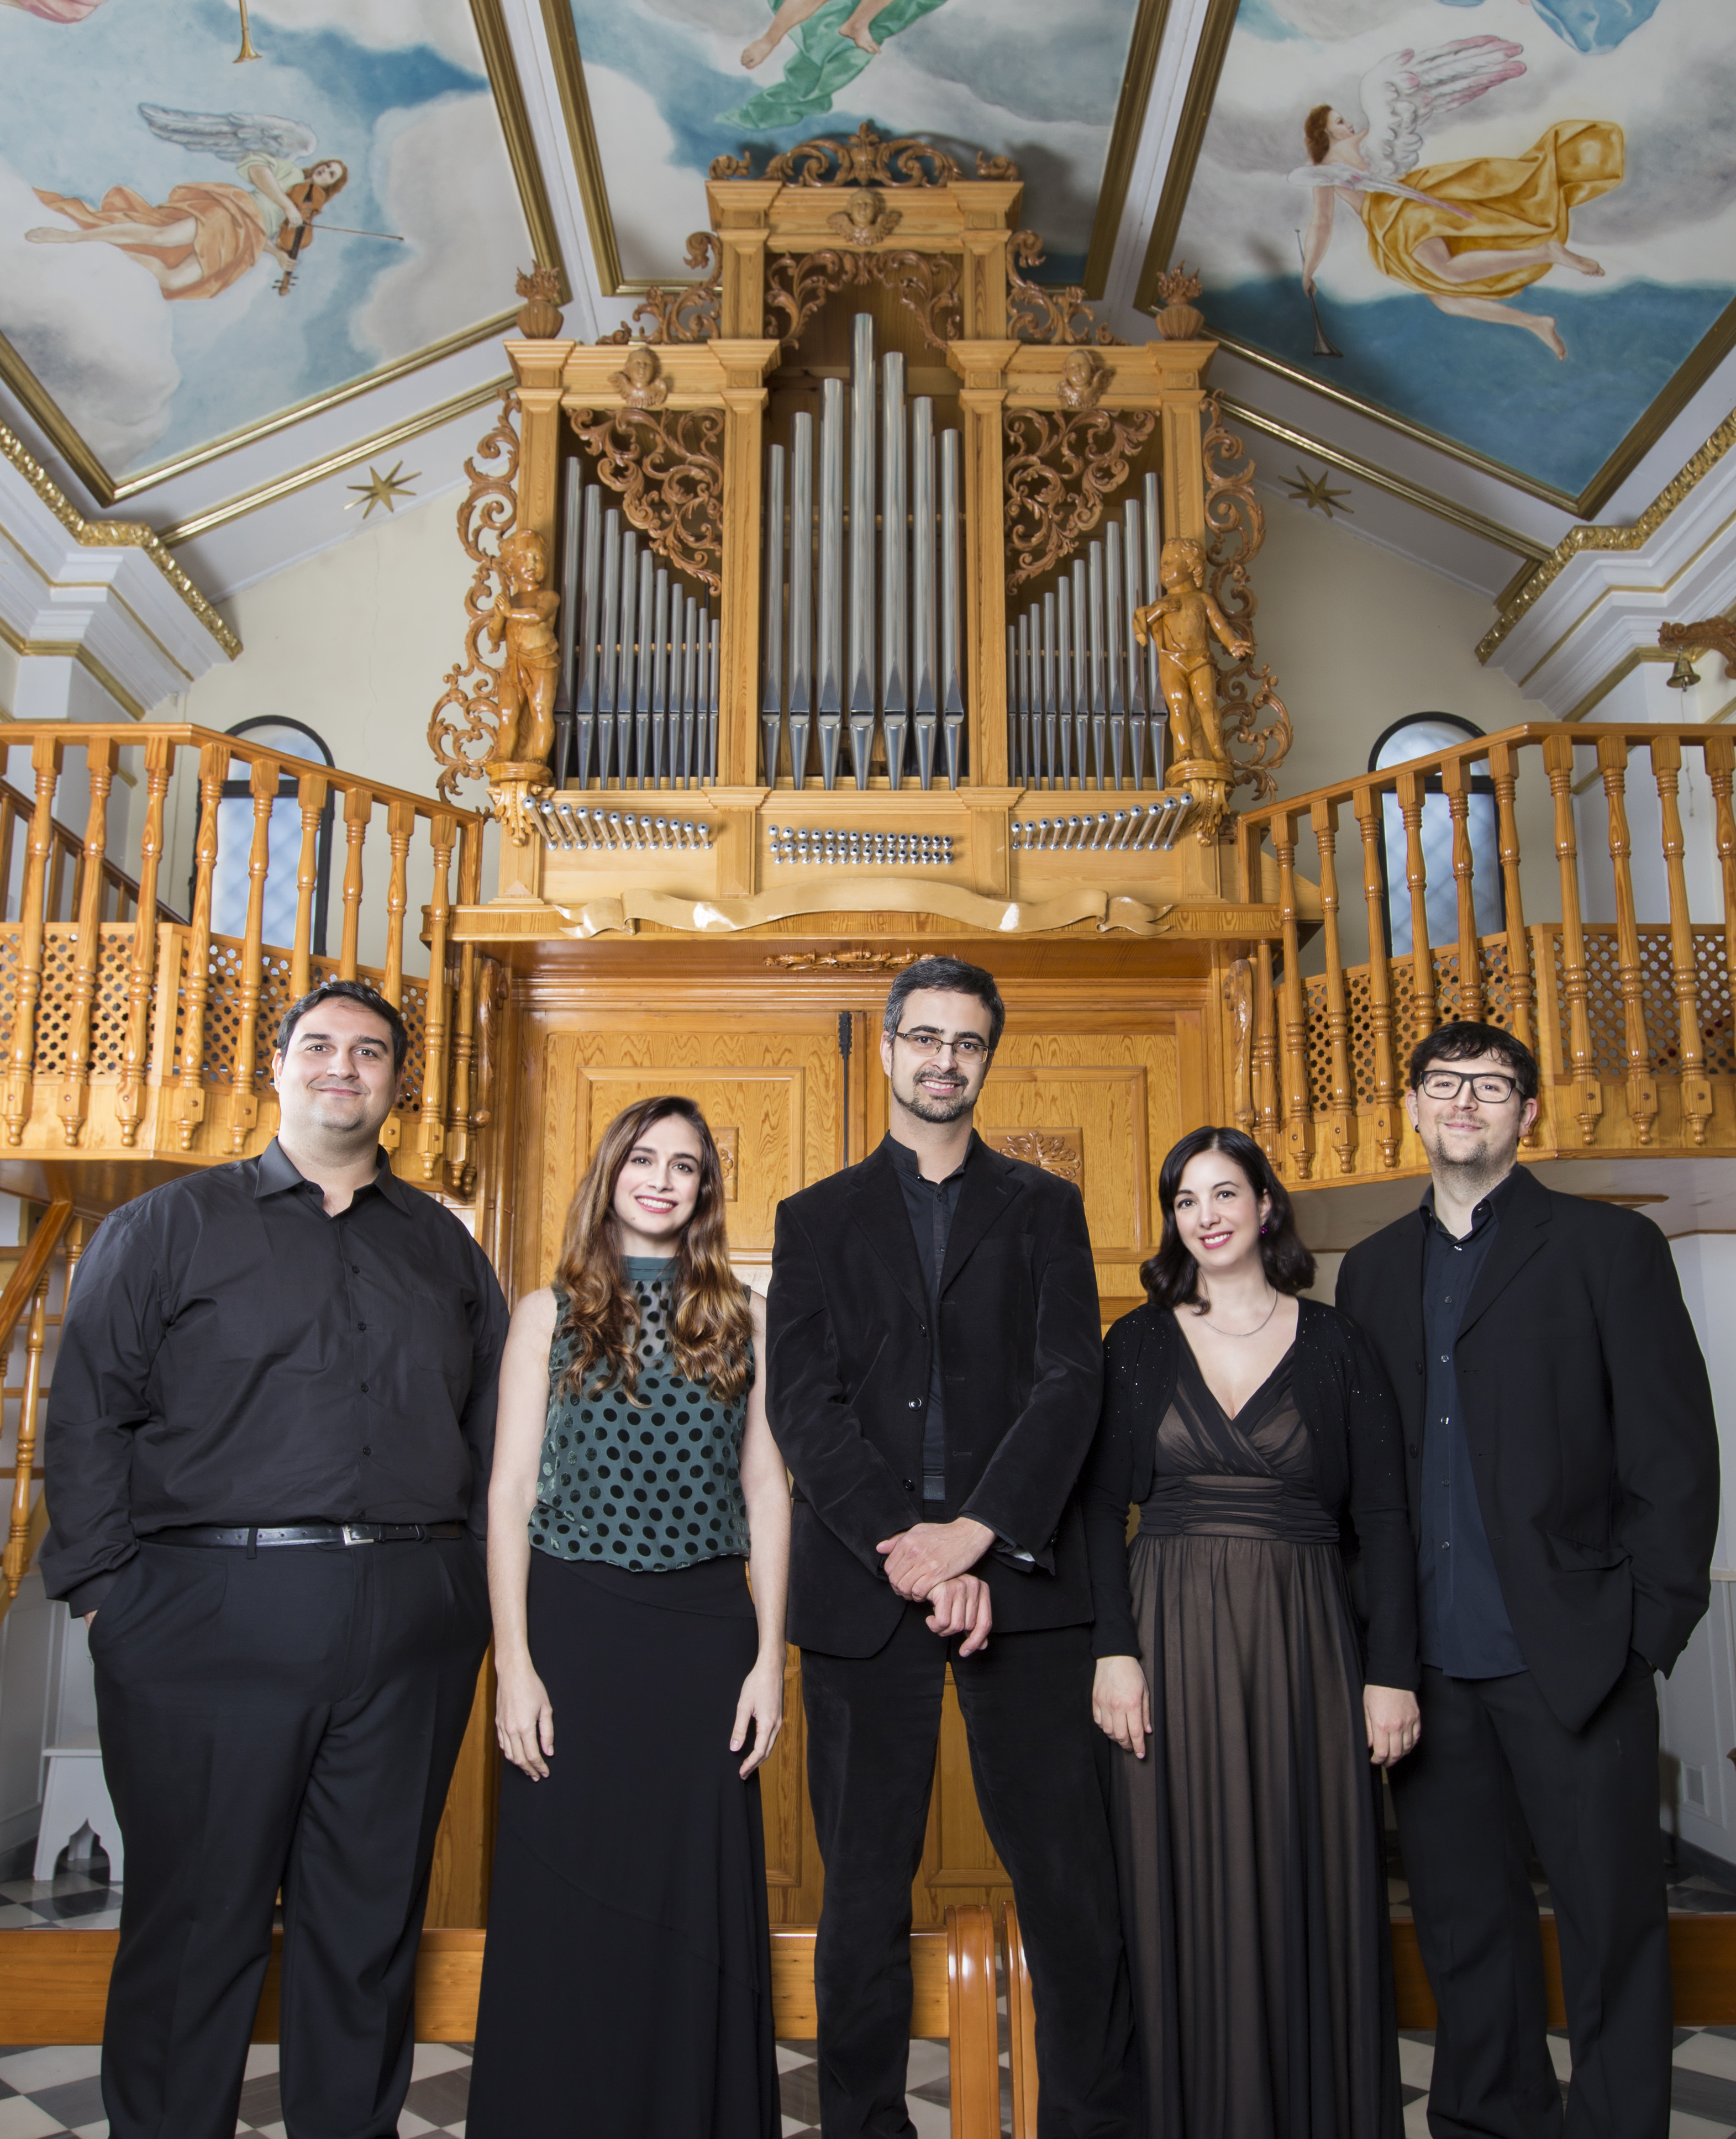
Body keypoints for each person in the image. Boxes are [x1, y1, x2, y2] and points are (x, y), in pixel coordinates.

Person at [39, 977, 507, 2139]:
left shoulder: (445, 1248)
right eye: (318, 1045)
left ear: (399, 1085)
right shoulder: (165, 1226)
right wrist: (107, 1600)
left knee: (367, 1926)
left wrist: (474, 1601)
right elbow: (86, 1413)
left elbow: (496, 1432)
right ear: (279, 1067)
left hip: (410, 1618)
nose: (341, 1065)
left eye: (368, 1051)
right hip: (203, 1613)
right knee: (197, 1923)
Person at [767, 953, 1137, 2138]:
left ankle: (1089, 2120)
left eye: (965, 1042)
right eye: (922, 1037)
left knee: (1068, 1886)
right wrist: (905, 1546)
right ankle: (863, 2124)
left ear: (987, 1056)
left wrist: (972, 1538)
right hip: (862, 1594)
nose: (941, 1060)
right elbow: (801, 1406)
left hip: (1022, 1590)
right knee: (861, 1891)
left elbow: (1070, 1387)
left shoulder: (1046, 1207)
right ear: (885, 1048)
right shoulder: (812, 1218)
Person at [1337, 1020, 1719, 2139]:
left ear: (1526, 1113)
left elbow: (1672, 1456)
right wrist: (1378, 1651)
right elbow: (1366, 1480)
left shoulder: (1607, 1251)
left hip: (1577, 1655)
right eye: (1443, 1083)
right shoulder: (1369, 1271)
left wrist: (1644, 1632)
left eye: (1491, 1086)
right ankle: (1485, 2121)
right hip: (1427, 1669)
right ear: (1409, 1106)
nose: (1464, 1101)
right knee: (1464, 1928)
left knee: (1612, 1927)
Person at [466, 1094, 788, 2139]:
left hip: (702, 1640)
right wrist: (513, 1663)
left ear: (704, 1191)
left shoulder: (745, 1311)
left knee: (688, 1895)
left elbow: (766, 1489)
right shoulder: (544, 1312)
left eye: (684, 1166)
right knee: (567, 1898)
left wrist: (768, 1661)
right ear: (610, 1173)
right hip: (572, 1633)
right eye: (643, 1159)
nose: (660, 1178)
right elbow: (509, 1493)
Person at [1087, 1125, 1419, 2138]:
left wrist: (1390, 1673)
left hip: (1307, 1636)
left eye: (1224, 1194)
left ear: (1265, 1206)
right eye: (1186, 1200)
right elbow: (1098, 1511)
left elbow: (1387, 1521)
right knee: (1166, 1882)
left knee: (1304, 1877)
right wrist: (1113, 1650)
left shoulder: (1335, 1342)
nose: (1206, 1216)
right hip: (1166, 1629)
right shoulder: (1136, 1343)